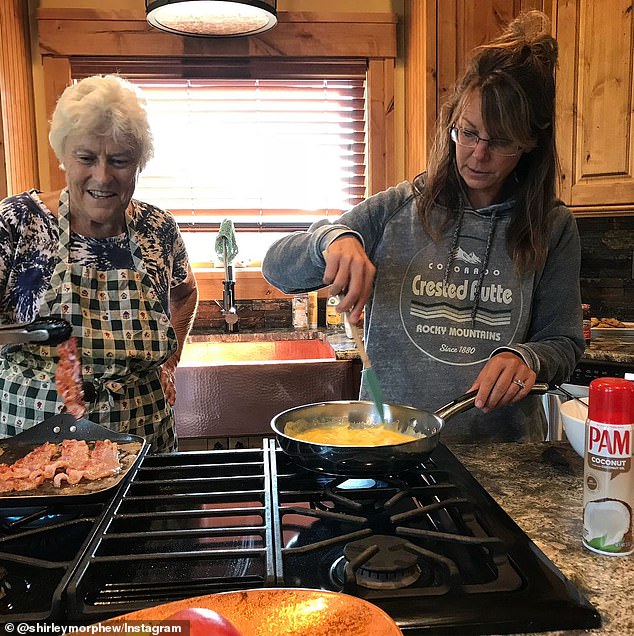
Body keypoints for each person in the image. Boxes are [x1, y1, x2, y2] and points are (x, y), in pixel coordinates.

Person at [262, 11, 584, 441]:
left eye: (501, 141)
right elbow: (276, 267)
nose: (477, 154)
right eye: (467, 133)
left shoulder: (553, 227)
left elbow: (563, 342)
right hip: (389, 450)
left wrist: (527, 357)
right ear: (453, 123)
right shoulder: (397, 209)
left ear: (529, 144)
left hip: (497, 461)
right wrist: (330, 240)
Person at [0, 74, 198, 452]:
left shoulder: (158, 230)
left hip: (142, 443)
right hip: (32, 447)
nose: (103, 176)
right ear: (63, 156)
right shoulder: (16, 224)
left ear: (139, 163)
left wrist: (170, 362)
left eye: (120, 161)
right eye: (86, 158)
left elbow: (185, 291)